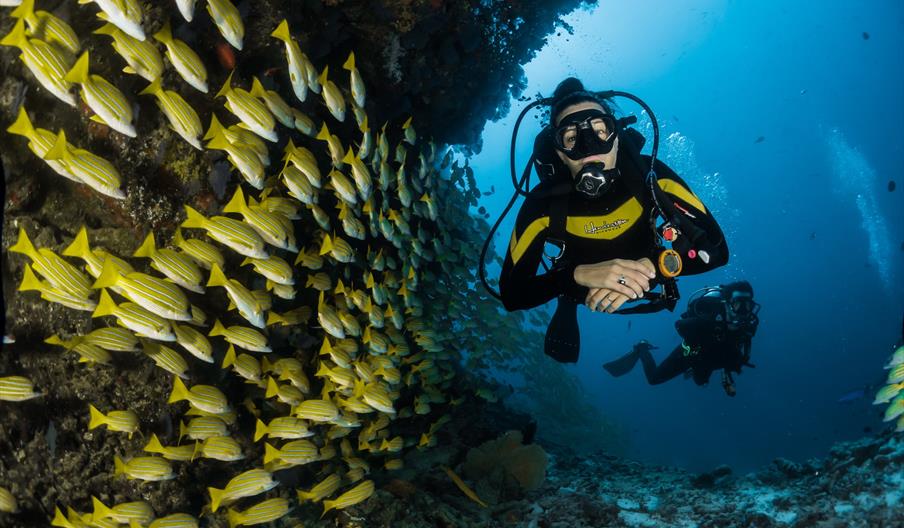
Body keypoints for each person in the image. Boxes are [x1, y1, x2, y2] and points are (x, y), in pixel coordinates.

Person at [498, 77, 729, 362]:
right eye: (571, 138)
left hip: (652, 272)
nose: (588, 146)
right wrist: (575, 276)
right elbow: (512, 294)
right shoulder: (542, 205)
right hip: (579, 288)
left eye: (599, 130)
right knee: (567, 292)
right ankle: (567, 301)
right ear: (559, 152)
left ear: (617, 136)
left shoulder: (650, 177)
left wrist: (655, 267)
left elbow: (717, 251)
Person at [603, 281, 760, 396]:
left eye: (748, 306)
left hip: (713, 357)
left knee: (701, 382)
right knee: (654, 379)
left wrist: (731, 365)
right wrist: (697, 344)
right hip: (691, 353)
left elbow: (739, 348)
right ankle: (642, 348)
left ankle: (699, 370)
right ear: (727, 304)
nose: (744, 312)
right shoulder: (708, 318)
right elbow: (680, 325)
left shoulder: (746, 325)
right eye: (739, 305)